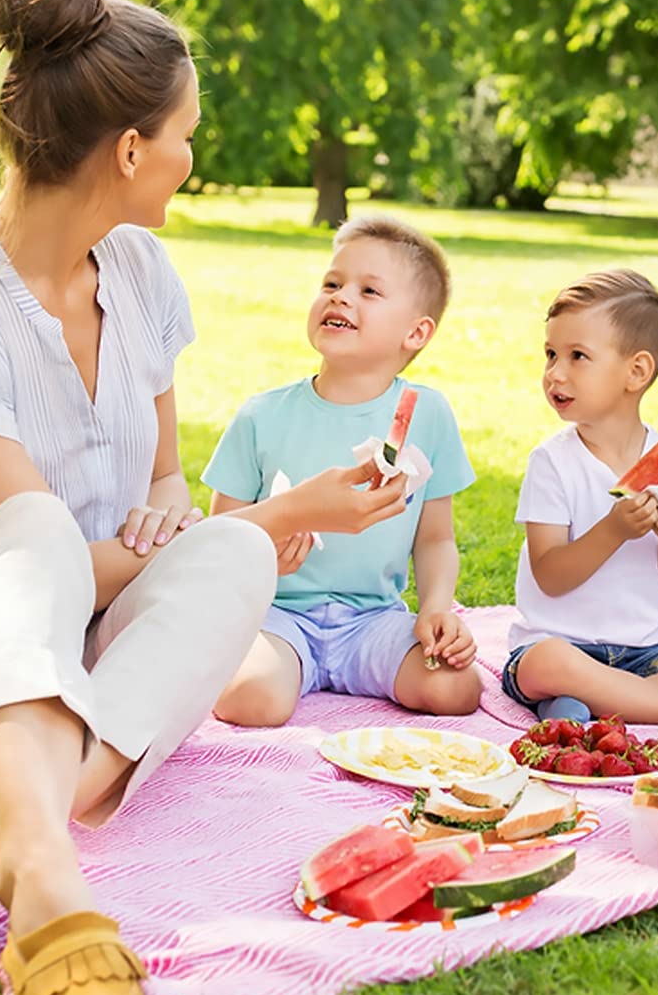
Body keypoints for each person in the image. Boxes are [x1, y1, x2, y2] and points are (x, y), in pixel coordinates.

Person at [0, 0, 409, 995]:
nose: (192, 156)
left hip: (89, 650)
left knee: (233, 558)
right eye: (186, 134)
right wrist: (282, 515)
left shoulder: (141, 273)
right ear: (133, 147)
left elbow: (161, 488)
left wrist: (216, 530)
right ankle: (47, 881)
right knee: (44, 522)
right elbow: (25, 553)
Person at [203, 215, 483, 725]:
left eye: (369, 291)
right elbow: (218, 537)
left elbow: (435, 538)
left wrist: (436, 608)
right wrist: (270, 547)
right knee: (251, 699)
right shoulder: (261, 416)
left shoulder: (430, 415)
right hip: (278, 617)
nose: (340, 297)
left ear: (416, 333)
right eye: (331, 284)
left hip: (374, 621)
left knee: (457, 688)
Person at [502, 271, 658, 724]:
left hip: (642, 655)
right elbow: (550, 577)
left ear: (636, 372)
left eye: (578, 357)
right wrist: (614, 530)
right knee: (549, 664)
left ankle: (591, 706)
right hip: (556, 646)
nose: (555, 372)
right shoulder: (552, 462)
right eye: (551, 354)